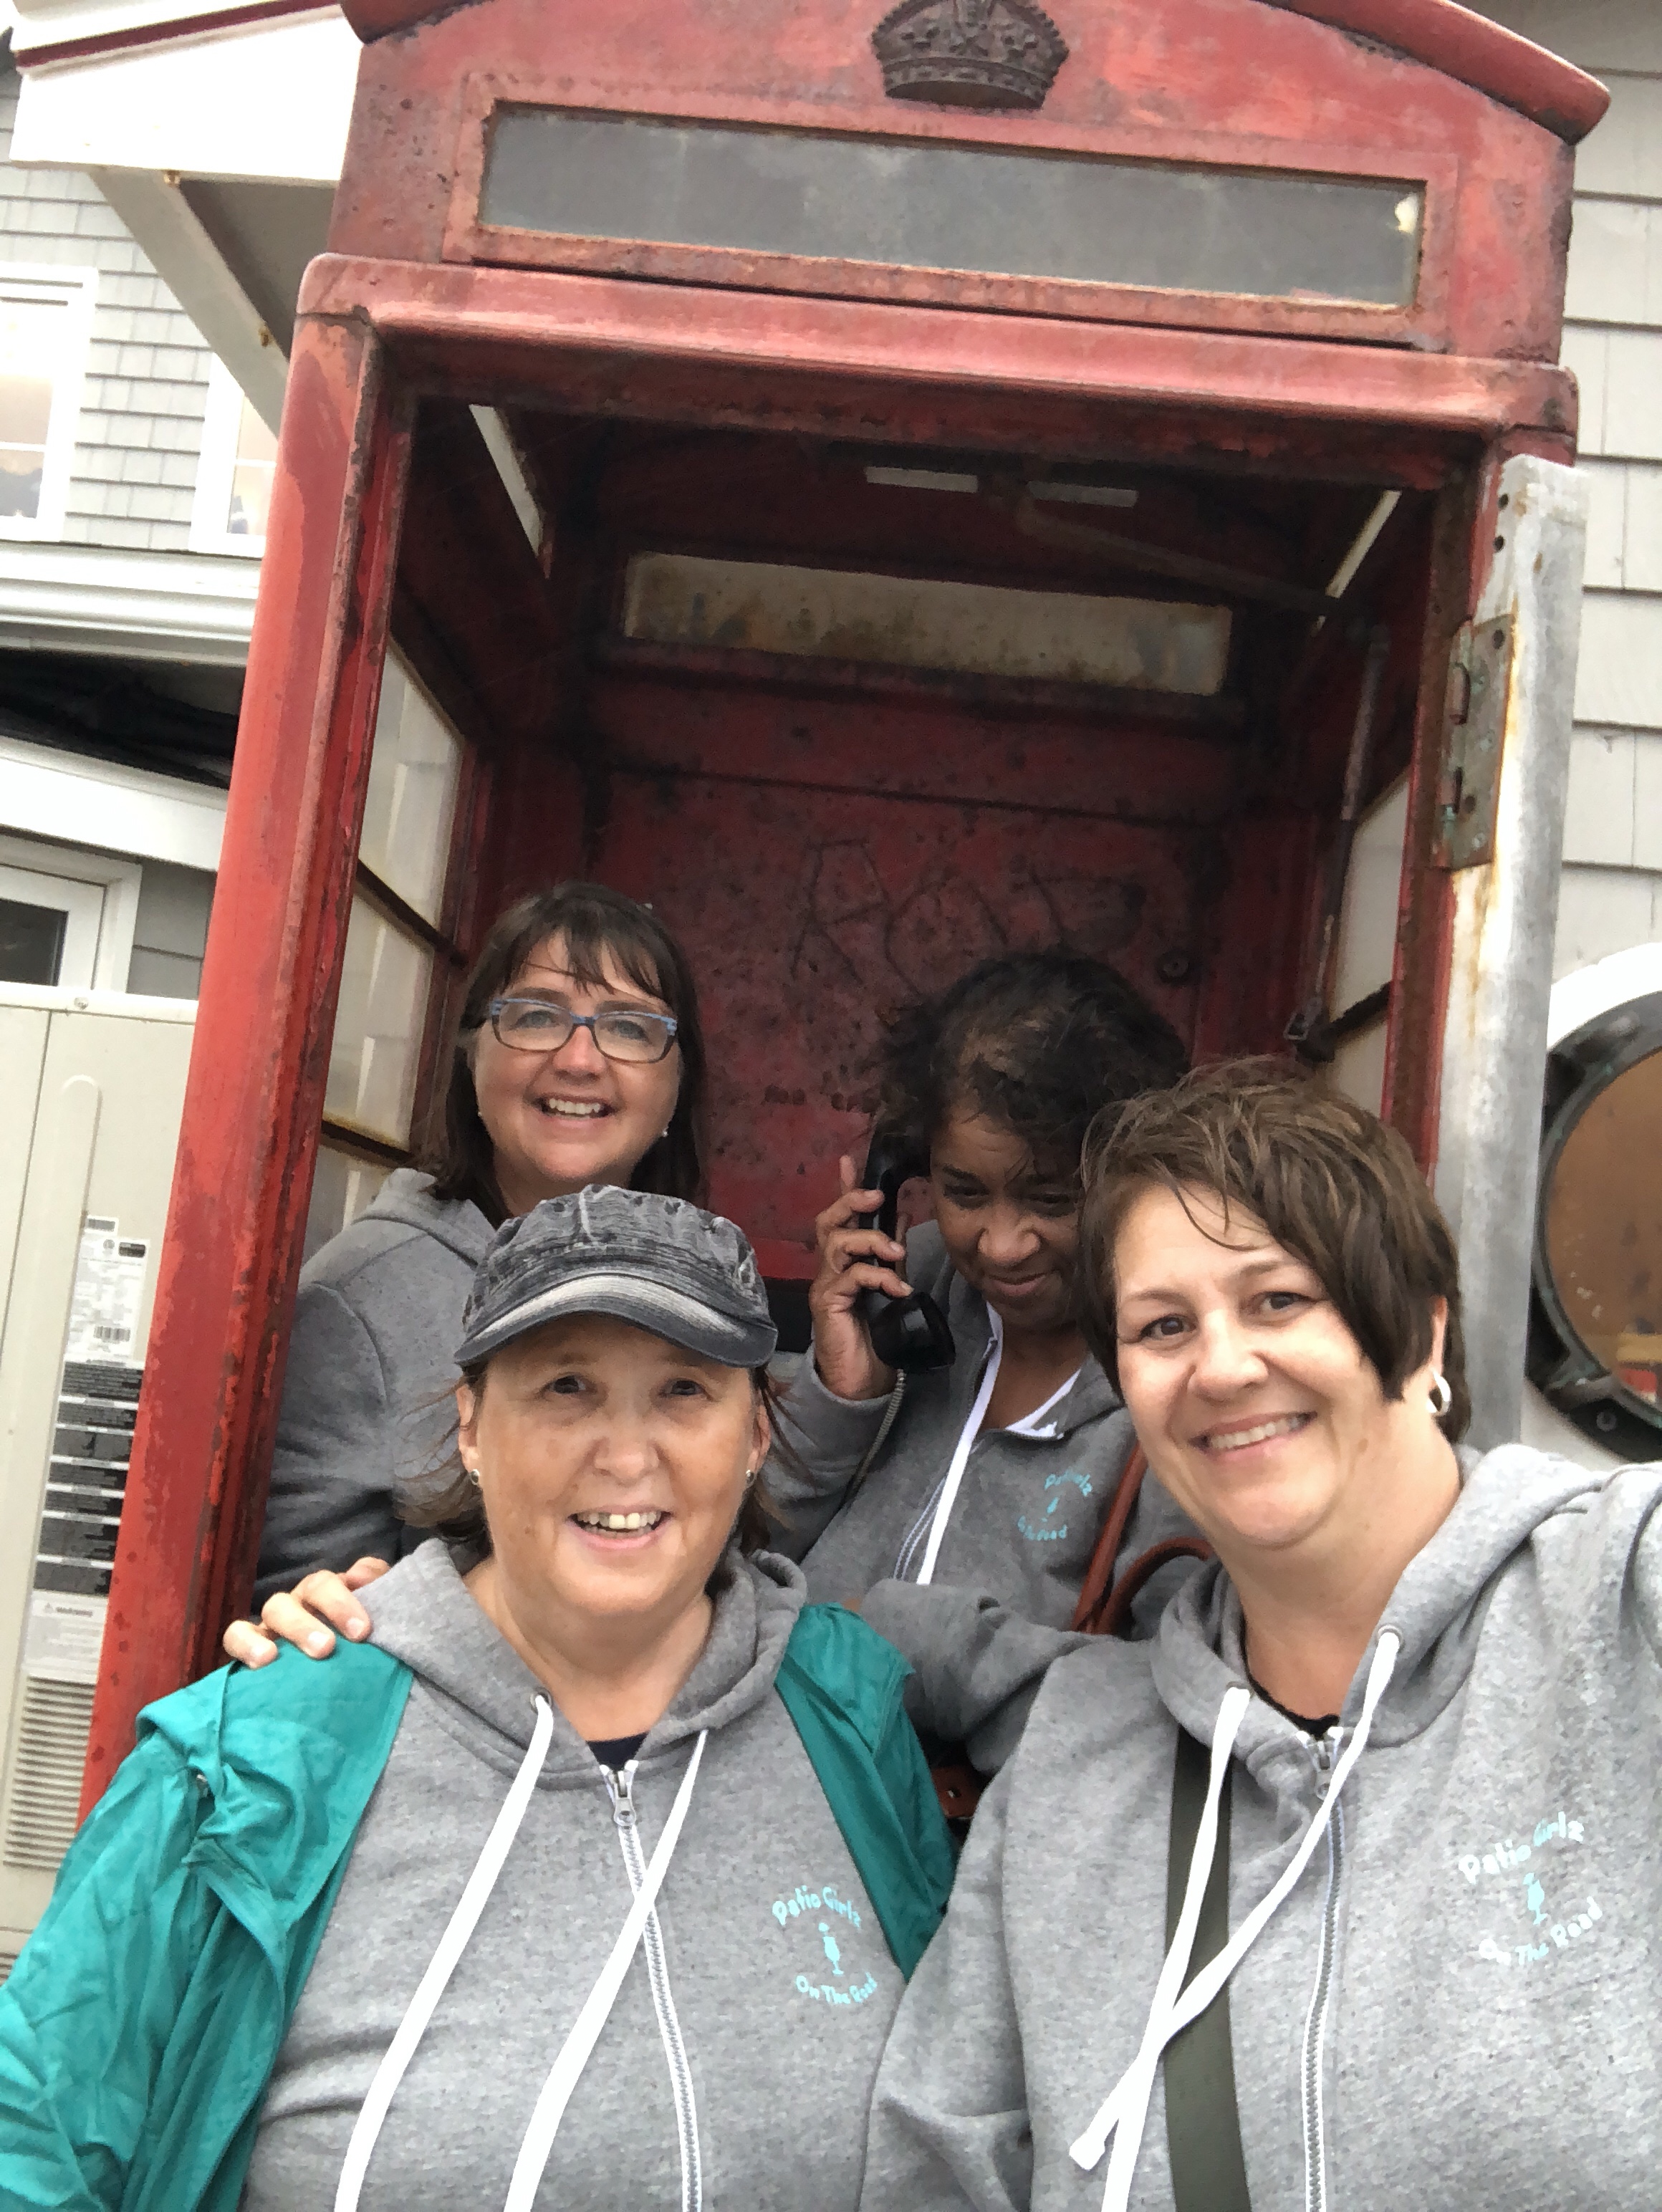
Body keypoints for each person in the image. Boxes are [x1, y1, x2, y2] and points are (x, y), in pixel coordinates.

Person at [0, 1189, 952, 2212]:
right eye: (567, 1387)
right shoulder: (254, 1756)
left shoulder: (844, 1716)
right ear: (471, 1428)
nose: (627, 1455)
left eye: (684, 1389)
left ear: (756, 1434)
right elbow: (36, 2153)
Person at [860, 1062, 1662, 2212]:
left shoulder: (1623, 1599)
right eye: (1163, 1325)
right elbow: (939, 2165)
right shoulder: (1076, 1766)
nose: (1225, 1366)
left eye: (1279, 1300)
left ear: (1422, 1333)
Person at [256, 879, 706, 1600]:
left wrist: (845, 1392)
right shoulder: (359, 1302)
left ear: (677, 1085)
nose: (580, 1060)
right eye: (536, 1017)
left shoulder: (694, 1286)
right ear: (472, 1058)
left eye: (629, 1027)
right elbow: (294, 1611)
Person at [773, 952, 1198, 1640]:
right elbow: (726, 1565)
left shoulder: (1178, 1384)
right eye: (965, 1193)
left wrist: (913, 1640)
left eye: (1051, 1199)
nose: (1002, 1246)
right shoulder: (903, 1291)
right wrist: (839, 1405)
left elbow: (1156, 1673)